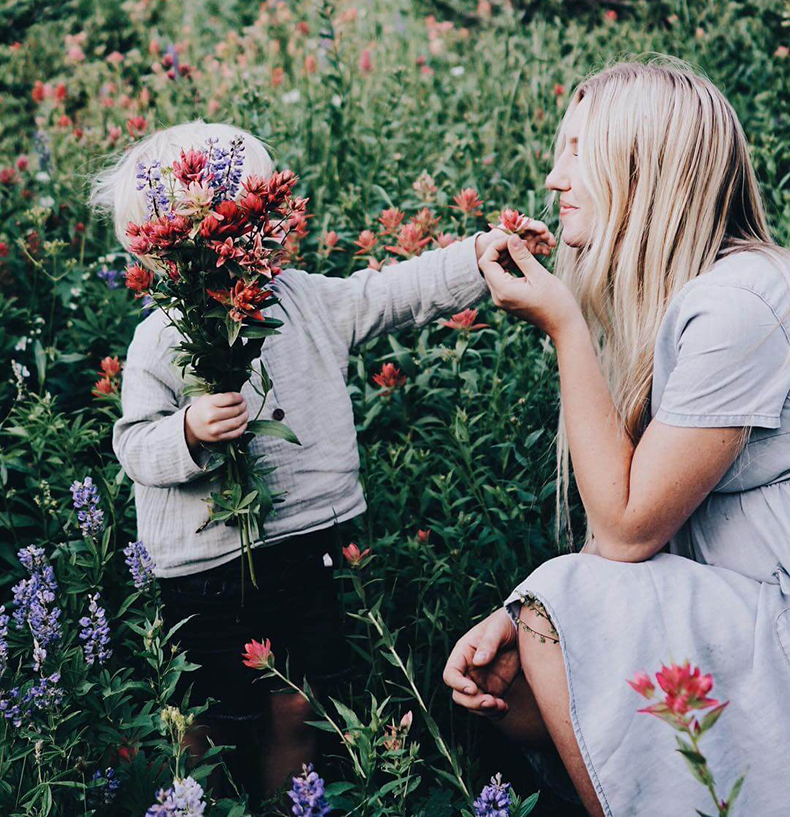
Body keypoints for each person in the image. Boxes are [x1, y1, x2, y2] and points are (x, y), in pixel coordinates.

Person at [89, 120, 556, 803]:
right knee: (202, 720)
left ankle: (290, 804)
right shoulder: (161, 338)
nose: (267, 237)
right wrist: (187, 431)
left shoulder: (304, 301)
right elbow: (134, 443)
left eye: (268, 220)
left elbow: (394, 290)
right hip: (205, 574)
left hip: (309, 549)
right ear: (183, 240)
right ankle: (198, 802)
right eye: (246, 222)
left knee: (297, 706)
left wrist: (480, 256)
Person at [442, 59, 790, 816]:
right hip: (740, 607)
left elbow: (628, 527)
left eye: (576, 151)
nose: (553, 176)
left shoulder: (740, 305)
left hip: (778, 621)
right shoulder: (698, 299)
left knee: (561, 611)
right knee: (521, 681)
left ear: (642, 166)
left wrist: (565, 322)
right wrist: (512, 610)